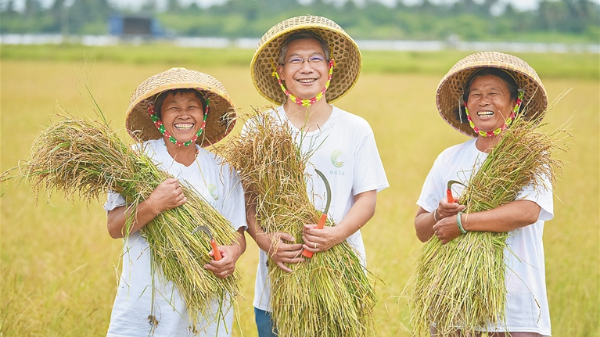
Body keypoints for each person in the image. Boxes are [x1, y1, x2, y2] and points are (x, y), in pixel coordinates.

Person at [247, 16, 389, 336]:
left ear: (330, 67)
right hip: (277, 286)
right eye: (295, 60)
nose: (306, 67)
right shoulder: (259, 129)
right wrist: (263, 239)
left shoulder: (355, 128)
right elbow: (246, 200)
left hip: (339, 284)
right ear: (280, 71)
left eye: (315, 59)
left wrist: (337, 234)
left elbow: (367, 198)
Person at [415, 52, 553, 336]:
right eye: (475, 94)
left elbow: (528, 212)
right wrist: (440, 214)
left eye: (494, 93)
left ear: (515, 103)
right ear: (466, 105)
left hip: (515, 308)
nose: (483, 101)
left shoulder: (529, 156)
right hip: (454, 304)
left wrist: (461, 223)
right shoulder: (448, 158)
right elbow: (421, 229)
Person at [104, 68, 247, 337]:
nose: (184, 114)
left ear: (203, 116)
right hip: (144, 303)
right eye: (173, 108)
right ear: (158, 117)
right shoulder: (135, 161)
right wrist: (154, 204)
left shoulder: (222, 169)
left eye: (192, 107)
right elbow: (114, 227)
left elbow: (237, 235)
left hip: (206, 299)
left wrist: (232, 254)